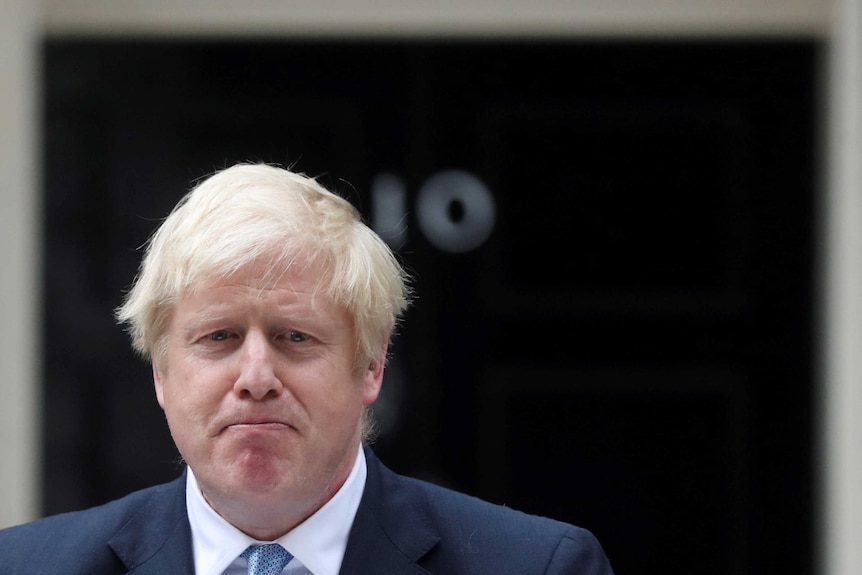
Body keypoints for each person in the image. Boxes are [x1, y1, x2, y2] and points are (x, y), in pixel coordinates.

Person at [0, 163, 614, 574]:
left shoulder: (538, 566)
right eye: (219, 336)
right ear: (161, 371)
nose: (257, 376)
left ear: (371, 365)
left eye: (295, 336)